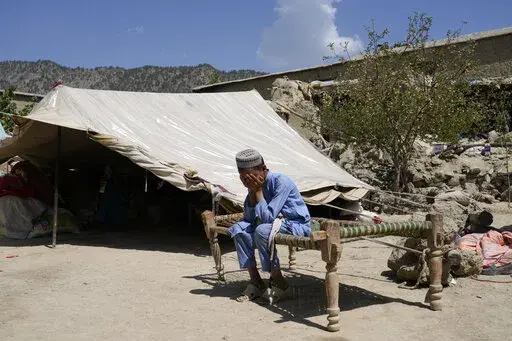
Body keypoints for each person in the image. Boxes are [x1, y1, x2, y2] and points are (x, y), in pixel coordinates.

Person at [229, 149, 311, 303]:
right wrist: (253, 193)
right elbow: (249, 218)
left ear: (264, 168)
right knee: (238, 229)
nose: (250, 182)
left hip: (295, 224)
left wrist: (258, 191)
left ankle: (280, 282)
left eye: (252, 178)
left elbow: (267, 218)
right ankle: (256, 282)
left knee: (262, 230)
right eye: (245, 179)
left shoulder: (281, 182)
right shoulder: (253, 186)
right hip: (273, 224)